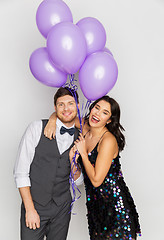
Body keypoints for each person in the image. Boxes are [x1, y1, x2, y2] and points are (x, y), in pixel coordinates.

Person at [45, 95, 141, 240]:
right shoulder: (85, 127)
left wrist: (83, 153)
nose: (97, 113)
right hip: (96, 207)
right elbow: (64, 115)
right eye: (97, 108)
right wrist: (52, 120)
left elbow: (96, 180)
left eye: (105, 112)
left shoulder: (108, 140)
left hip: (116, 209)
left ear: (108, 120)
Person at [13, 87, 83, 240]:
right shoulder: (36, 128)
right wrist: (30, 210)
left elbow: (79, 182)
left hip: (62, 208)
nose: (66, 109)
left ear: (78, 105)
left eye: (71, 103)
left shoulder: (82, 137)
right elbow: (21, 172)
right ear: (55, 107)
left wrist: (73, 162)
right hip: (35, 205)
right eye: (61, 104)